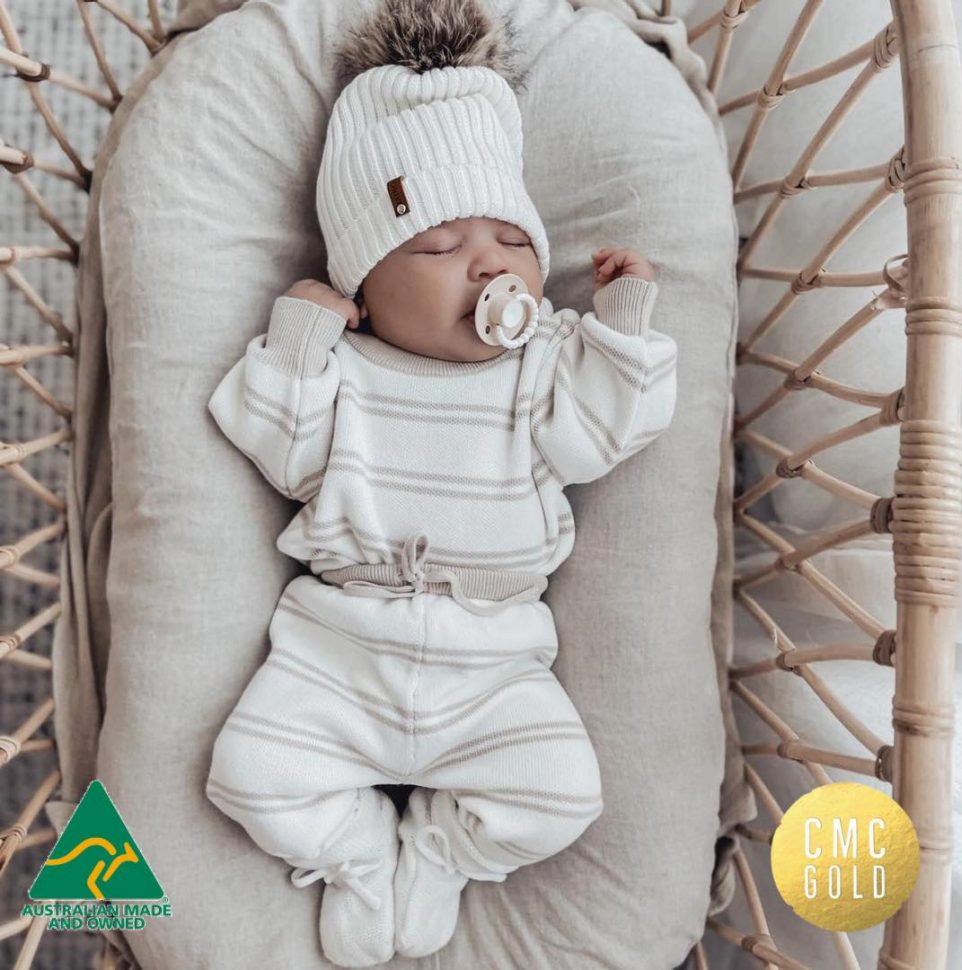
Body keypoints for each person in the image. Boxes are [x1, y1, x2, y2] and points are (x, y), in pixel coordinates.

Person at [204, 0, 677, 965]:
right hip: (338, 654)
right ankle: (355, 856)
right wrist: (297, 340)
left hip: (493, 665)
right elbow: (280, 450)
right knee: (245, 775)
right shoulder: (347, 366)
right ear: (366, 289)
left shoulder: (545, 362)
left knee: (563, 794)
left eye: (510, 241)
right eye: (438, 247)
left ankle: (441, 851)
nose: (487, 265)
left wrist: (622, 328)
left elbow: (603, 436)